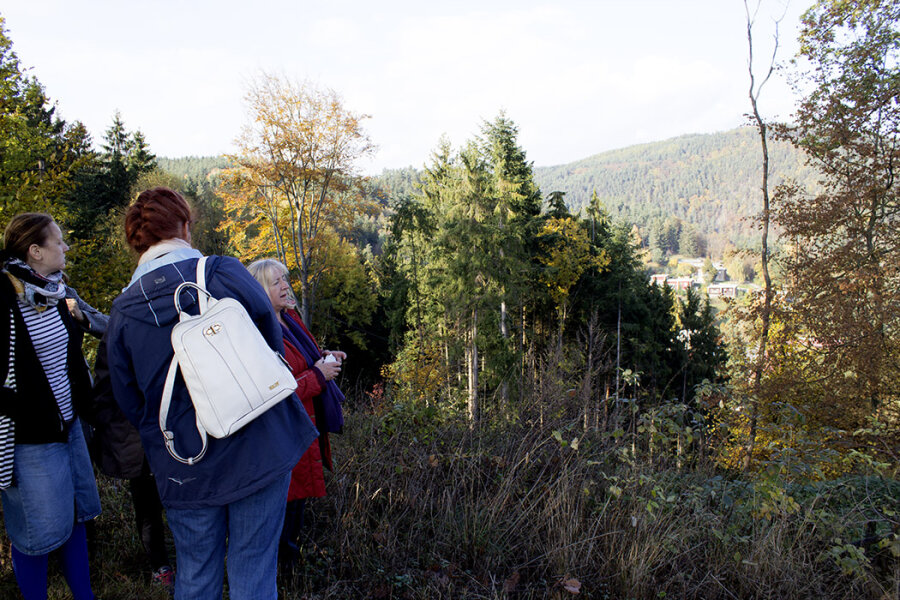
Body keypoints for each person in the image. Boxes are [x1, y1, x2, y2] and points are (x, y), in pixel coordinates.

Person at [105, 187, 317, 600]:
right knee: (253, 571)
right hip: (257, 447)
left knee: (196, 574)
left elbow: (129, 400)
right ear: (185, 226)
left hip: (185, 464)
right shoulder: (222, 273)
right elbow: (270, 341)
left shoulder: (123, 312)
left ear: (139, 242)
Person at [0, 213, 103, 600]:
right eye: (58, 241)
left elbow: (74, 355)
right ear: (35, 251)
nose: (65, 247)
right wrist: (23, 410)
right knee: (35, 532)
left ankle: (85, 595)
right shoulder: (5, 298)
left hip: (68, 426)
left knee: (74, 515)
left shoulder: (55, 291)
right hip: (29, 438)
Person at [247, 259, 346, 568]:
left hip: (302, 430)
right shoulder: (259, 333)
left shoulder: (289, 318)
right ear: (259, 290)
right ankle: (280, 578)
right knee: (283, 512)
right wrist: (318, 375)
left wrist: (325, 357)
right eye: (276, 282)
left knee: (295, 508)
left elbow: (303, 359)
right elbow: (274, 390)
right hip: (283, 435)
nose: (285, 285)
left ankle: (288, 571)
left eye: (285, 279)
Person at [83, 334, 175, 593]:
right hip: (138, 437)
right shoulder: (118, 330)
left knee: (181, 501)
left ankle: (189, 556)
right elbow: (104, 391)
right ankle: (160, 566)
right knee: (147, 507)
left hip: (174, 430)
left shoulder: (173, 320)